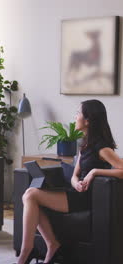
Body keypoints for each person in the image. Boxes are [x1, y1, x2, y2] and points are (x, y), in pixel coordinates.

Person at [16, 99, 123, 264]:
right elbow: (74, 175)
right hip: (75, 192)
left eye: (78, 113)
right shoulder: (84, 145)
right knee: (30, 195)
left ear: (88, 120)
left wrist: (94, 172)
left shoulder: (102, 148)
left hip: (86, 199)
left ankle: (27, 252)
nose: (75, 117)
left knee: (30, 195)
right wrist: (76, 183)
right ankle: (50, 245)